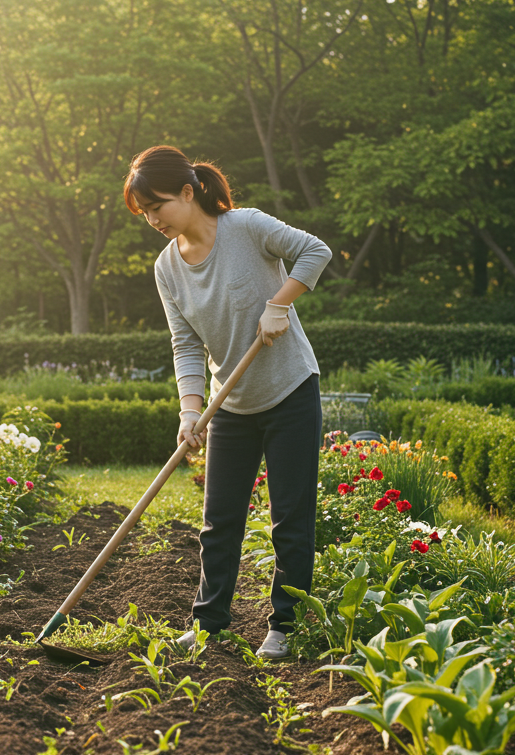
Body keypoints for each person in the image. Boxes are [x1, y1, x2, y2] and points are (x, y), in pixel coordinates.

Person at [123, 145, 330, 659]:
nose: (152, 220)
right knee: (219, 523)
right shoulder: (167, 269)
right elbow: (186, 345)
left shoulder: (247, 227)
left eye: (158, 206)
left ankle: (285, 625)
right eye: (144, 212)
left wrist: (279, 303)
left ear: (187, 192)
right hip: (230, 405)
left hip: (289, 392)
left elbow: (315, 250)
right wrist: (190, 411)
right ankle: (208, 623)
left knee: (290, 519)